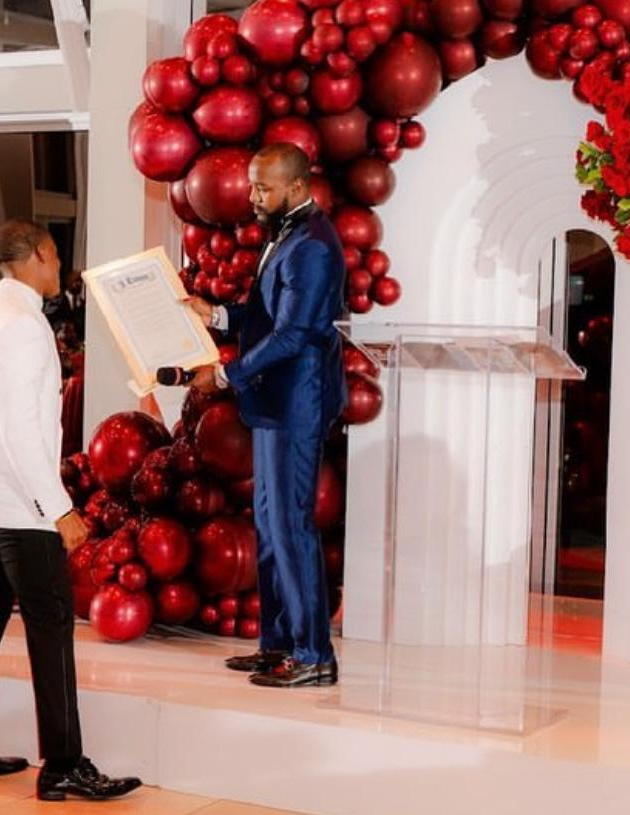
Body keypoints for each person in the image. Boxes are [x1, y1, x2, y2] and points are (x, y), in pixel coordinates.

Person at [0, 218, 141, 802]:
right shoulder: (25, 327)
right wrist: (58, 509)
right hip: (19, 506)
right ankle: (63, 763)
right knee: (51, 627)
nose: (60, 268)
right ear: (40, 253)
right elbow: (21, 433)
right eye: (56, 257)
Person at [185, 143, 347, 689]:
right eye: (253, 184)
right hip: (276, 403)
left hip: (297, 403)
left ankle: (314, 654)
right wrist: (217, 315)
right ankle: (278, 644)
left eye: (263, 187)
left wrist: (225, 375)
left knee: (291, 525)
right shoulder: (288, 234)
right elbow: (267, 315)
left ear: (297, 187)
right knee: (271, 526)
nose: (252, 196)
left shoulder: (313, 244)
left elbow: (294, 335)